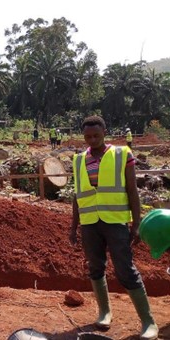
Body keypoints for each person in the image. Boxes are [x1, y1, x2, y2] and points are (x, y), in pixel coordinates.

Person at [69, 116, 158, 340]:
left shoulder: (121, 155)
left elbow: (132, 190)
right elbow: (77, 195)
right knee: (95, 267)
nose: (92, 139)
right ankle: (105, 312)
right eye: (88, 136)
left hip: (115, 221)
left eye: (96, 135)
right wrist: (73, 226)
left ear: (105, 132)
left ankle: (148, 322)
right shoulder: (79, 160)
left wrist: (136, 223)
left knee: (125, 269)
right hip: (90, 223)